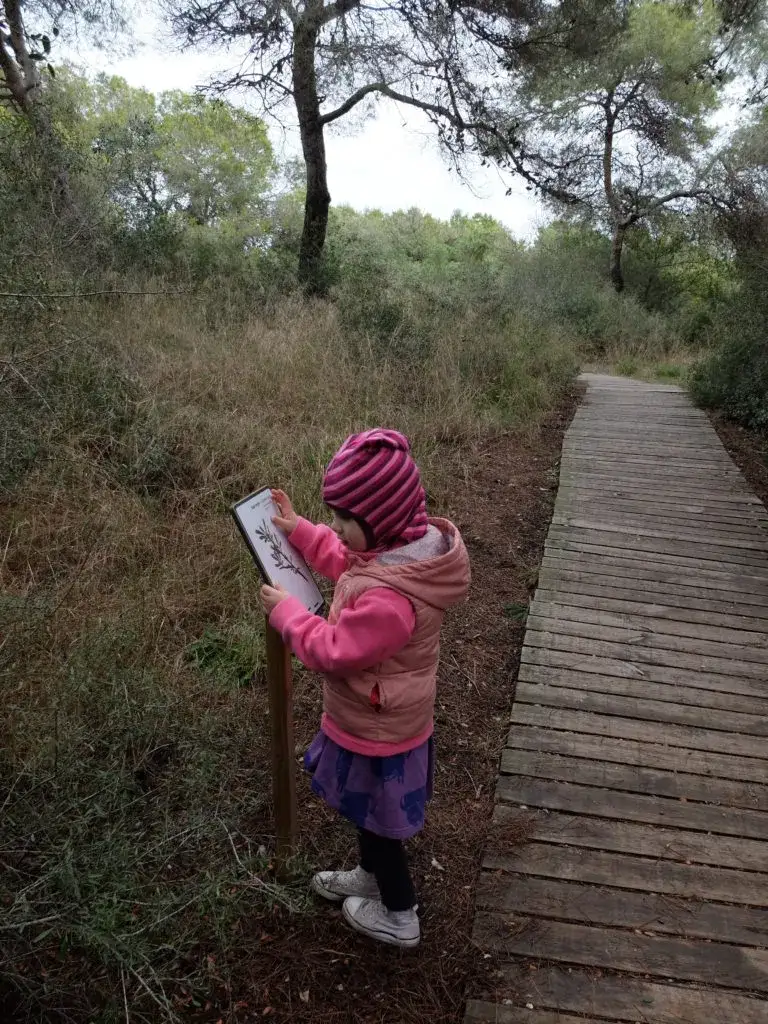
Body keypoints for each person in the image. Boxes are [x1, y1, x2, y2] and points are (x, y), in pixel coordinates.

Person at [259, 428, 470, 948]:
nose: (336, 528)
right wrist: (302, 532)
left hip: (382, 730)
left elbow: (333, 650)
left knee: (381, 825)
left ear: (379, 523)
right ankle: (371, 879)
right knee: (368, 814)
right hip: (376, 720)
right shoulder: (396, 551)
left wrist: (289, 617)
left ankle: (400, 915)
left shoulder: (392, 602)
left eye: (343, 520)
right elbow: (345, 559)